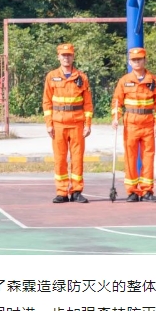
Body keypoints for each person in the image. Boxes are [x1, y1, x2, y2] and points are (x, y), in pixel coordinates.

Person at [111, 47, 156, 203]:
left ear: (144, 60)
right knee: (130, 157)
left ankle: (147, 191)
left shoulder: (154, 81)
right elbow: (117, 101)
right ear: (130, 62)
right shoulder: (124, 81)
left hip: (148, 124)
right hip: (131, 124)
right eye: (134, 60)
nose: (136, 62)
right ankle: (132, 191)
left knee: (148, 157)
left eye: (139, 59)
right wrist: (115, 117)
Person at [42, 43, 94, 203]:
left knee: (77, 159)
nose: (66, 58)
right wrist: (48, 124)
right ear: (58, 57)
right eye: (63, 55)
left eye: (69, 55)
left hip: (77, 124)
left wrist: (88, 124)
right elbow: (47, 102)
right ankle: (62, 192)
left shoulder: (81, 77)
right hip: (58, 124)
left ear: (73, 57)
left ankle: (77, 191)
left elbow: (87, 103)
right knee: (60, 159)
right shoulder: (51, 76)